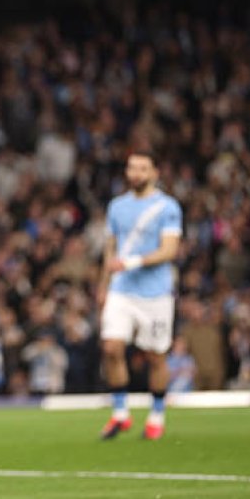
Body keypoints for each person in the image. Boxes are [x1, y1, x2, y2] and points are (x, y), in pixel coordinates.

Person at [97, 150, 182, 440]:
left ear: (154, 173)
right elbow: (110, 249)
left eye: (142, 168)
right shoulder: (117, 206)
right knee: (111, 348)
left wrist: (131, 263)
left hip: (155, 294)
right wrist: (103, 285)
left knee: (155, 357)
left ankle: (156, 415)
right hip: (121, 289)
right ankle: (121, 414)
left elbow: (169, 250)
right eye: (132, 168)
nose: (136, 173)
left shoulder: (167, 207)